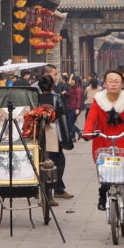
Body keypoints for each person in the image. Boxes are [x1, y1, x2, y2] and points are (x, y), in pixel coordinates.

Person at [82, 69, 124, 219]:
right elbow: (91, 118)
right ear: (104, 83)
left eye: (117, 81)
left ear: (122, 84)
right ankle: (103, 195)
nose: (113, 84)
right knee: (106, 171)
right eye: (110, 81)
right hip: (104, 140)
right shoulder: (98, 99)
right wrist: (87, 131)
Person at [38, 69, 73, 203]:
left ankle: (56, 189)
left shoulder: (35, 98)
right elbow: (63, 119)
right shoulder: (56, 99)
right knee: (56, 162)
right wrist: (66, 139)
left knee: (42, 161)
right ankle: (51, 192)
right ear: (52, 85)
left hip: (38, 135)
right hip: (52, 134)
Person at [65, 75, 85, 142]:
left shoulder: (78, 89)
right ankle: (74, 136)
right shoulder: (73, 88)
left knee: (69, 122)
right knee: (71, 123)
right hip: (70, 107)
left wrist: (77, 108)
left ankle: (78, 133)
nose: (71, 81)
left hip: (74, 108)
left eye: (72, 80)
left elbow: (79, 100)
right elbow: (70, 95)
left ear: (75, 81)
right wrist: (65, 93)